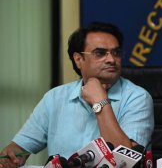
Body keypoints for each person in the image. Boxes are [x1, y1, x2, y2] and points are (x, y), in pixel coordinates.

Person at [0, 22, 154, 167]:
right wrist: (12, 157)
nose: (111, 59)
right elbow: (19, 148)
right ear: (79, 59)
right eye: (100, 53)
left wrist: (100, 102)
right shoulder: (54, 98)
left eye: (116, 53)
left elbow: (125, 162)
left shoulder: (138, 98)